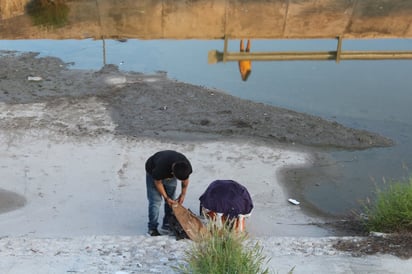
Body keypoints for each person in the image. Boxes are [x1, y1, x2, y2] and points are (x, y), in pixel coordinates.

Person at [145, 150, 193, 236]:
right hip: (153, 171)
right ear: (172, 172)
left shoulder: (186, 167)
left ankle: (167, 224)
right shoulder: (161, 168)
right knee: (155, 202)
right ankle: (152, 229)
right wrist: (166, 198)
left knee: (172, 200)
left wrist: (183, 194)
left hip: (168, 170)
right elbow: (158, 183)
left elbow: (185, 180)